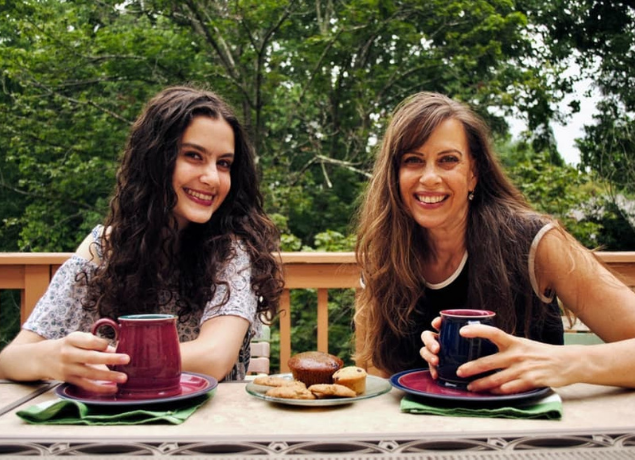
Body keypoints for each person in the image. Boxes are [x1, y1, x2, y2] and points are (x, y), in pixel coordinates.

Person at [0, 85, 284, 392]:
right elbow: (11, 359)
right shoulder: (103, 248)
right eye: (193, 156)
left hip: (207, 428)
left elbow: (213, 358)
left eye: (224, 164)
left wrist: (103, 361)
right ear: (154, 160)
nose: (212, 178)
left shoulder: (233, 251)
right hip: (109, 429)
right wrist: (51, 358)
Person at [354, 91, 635, 392]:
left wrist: (565, 362)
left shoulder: (535, 242)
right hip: (420, 437)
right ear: (394, 175)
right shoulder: (383, 261)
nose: (430, 177)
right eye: (413, 161)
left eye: (448, 160)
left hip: (532, 436)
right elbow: (375, 382)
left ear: (473, 173)